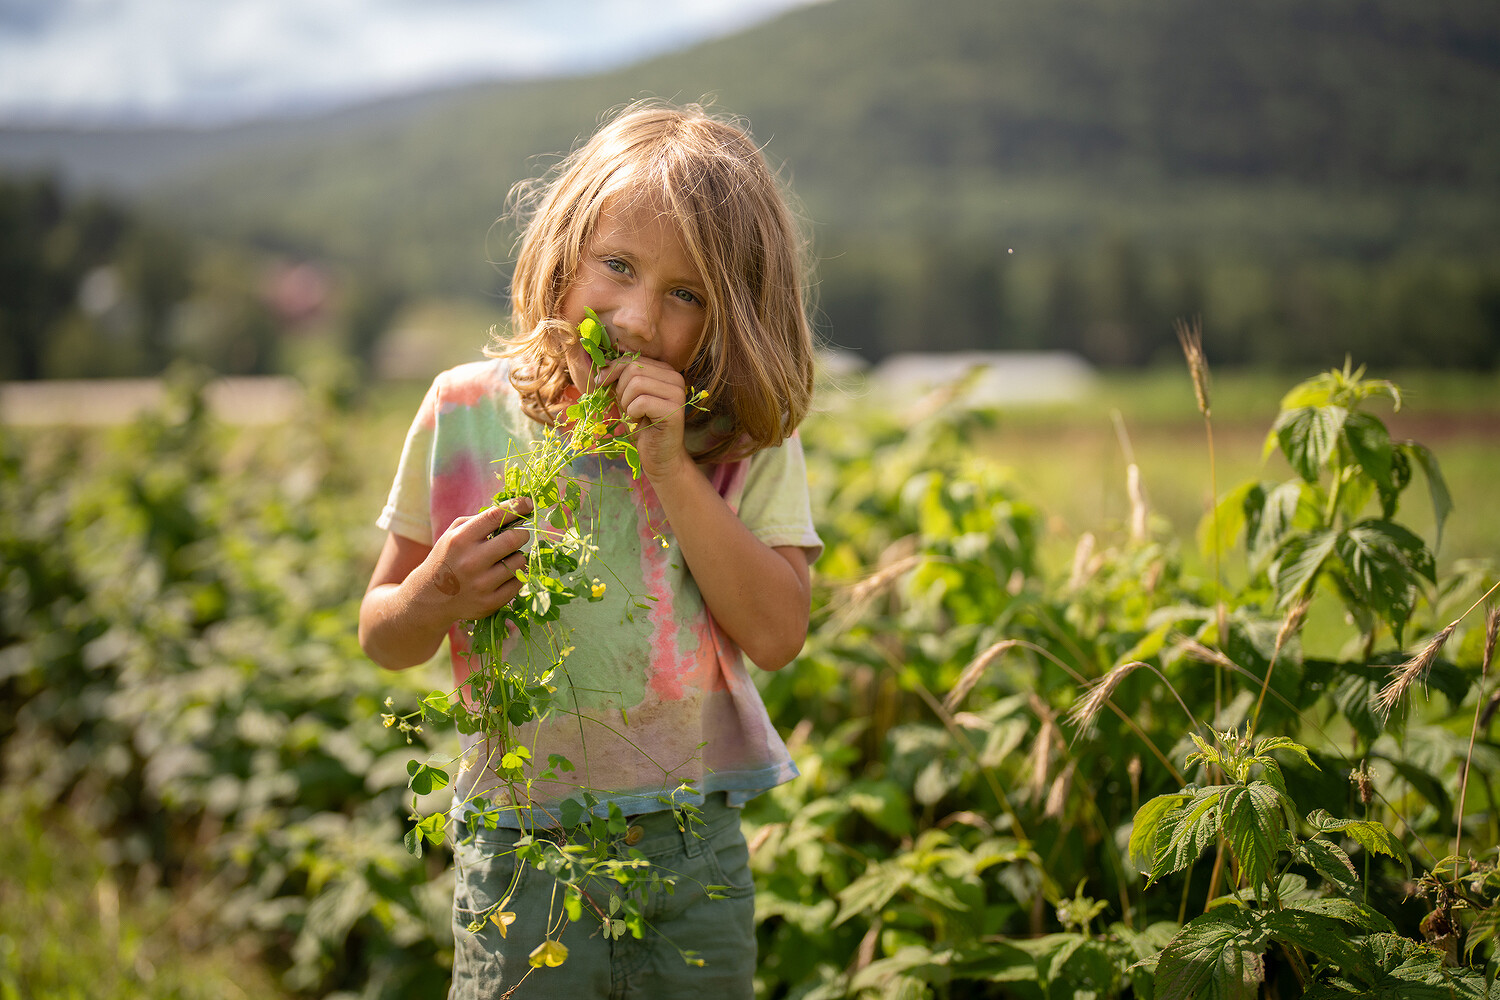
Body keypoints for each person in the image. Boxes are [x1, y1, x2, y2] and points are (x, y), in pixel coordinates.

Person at [358, 101, 822, 999]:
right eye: (618, 267)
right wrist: (435, 594)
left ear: (732, 317)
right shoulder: (464, 411)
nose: (640, 318)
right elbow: (383, 635)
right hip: (520, 844)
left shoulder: (740, 438)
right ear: (565, 250)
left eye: (687, 295)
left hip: (689, 842)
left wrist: (672, 469)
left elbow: (777, 633)